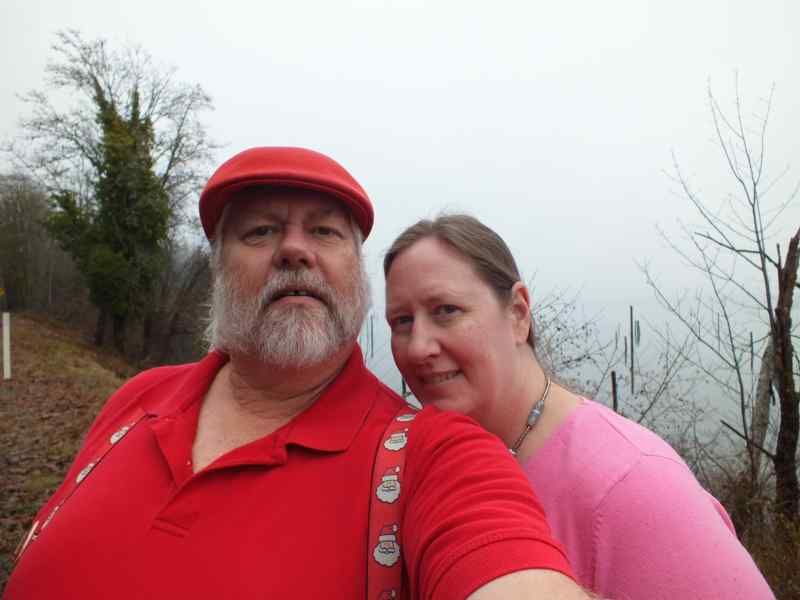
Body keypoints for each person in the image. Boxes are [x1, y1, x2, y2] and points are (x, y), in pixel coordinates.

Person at [4, 149, 590, 600]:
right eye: (260, 231)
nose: (294, 251)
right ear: (218, 271)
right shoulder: (138, 397)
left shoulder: (432, 458)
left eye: (324, 232)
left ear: (356, 274)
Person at [383, 213, 776, 600]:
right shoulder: (420, 468)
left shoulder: (632, 486)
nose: (418, 347)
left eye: (446, 310)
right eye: (401, 321)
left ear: (518, 313)